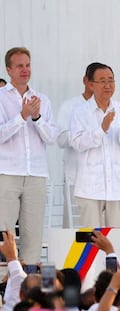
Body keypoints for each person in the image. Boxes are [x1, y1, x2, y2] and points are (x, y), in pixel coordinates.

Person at [0, 47, 58, 264]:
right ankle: (4, 284)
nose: (25, 70)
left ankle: (30, 286)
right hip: (6, 172)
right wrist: (21, 116)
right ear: (9, 69)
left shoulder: (41, 99)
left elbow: (52, 136)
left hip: (36, 173)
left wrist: (36, 117)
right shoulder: (0, 98)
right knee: (4, 233)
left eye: (27, 65)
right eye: (19, 66)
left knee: (33, 234)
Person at [70, 62, 120, 228]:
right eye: (102, 81)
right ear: (91, 84)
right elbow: (77, 143)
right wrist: (101, 129)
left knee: (118, 239)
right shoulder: (80, 112)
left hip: (119, 186)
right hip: (90, 187)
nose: (108, 85)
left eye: (111, 80)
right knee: (91, 240)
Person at [56, 63, 96, 228]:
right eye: (97, 81)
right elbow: (60, 139)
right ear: (86, 81)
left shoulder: (113, 108)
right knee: (75, 233)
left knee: (101, 233)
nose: (102, 85)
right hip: (75, 179)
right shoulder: (69, 106)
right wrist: (85, 136)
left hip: (101, 182)